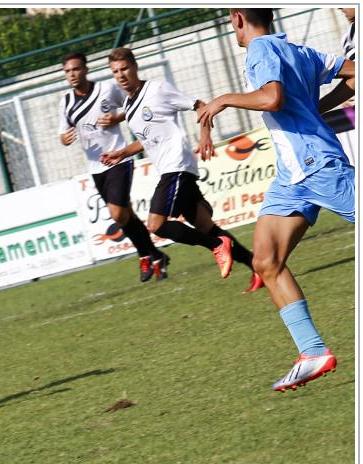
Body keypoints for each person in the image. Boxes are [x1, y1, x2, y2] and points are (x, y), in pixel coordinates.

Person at [197, 9, 355, 392]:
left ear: (237, 17)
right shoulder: (296, 50)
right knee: (265, 260)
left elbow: (272, 98)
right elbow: (352, 72)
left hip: (317, 166)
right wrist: (315, 109)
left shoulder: (261, 50)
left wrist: (223, 100)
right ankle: (313, 352)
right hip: (292, 176)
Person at [99, 47, 262, 292]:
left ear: (135, 67)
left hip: (177, 167)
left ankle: (216, 245)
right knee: (206, 225)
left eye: (124, 69)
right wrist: (122, 152)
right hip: (170, 168)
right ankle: (257, 268)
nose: (121, 75)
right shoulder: (129, 106)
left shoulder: (157, 89)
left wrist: (205, 135)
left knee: (156, 225)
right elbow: (148, 140)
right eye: (115, 72)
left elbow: (199, 105)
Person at [58, 51, 170, 282]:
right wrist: (65, 139)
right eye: (68, 71)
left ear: (86, 69)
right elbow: (62, 132)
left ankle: (145, 255)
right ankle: (155, 255)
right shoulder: (66, 102)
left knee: (117, 212)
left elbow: (132, 103)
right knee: (124, 215)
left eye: (76, 69)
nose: (72, 74)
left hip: (118, 158)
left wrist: (116, 119)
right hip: (95, 166)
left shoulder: (106, 90)